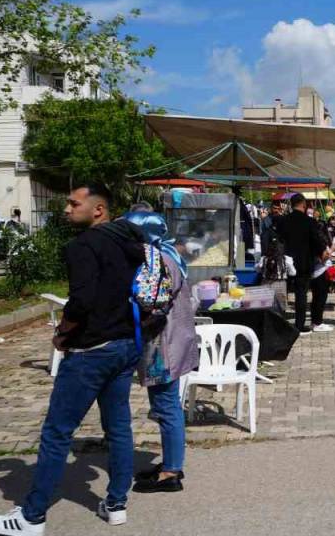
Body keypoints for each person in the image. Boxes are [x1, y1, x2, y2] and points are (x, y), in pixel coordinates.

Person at [0, 185, 145, 535]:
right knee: (118, 428)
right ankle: (116, 504)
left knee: (57, 432)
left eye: (74, 203)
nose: (67, 209)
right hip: (124, 344)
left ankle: (32, 516)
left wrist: (62, 333)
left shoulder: (83, 246)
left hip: (91, 351)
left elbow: (82, 300)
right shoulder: (128, 240)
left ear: (98, 209)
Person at [121, 210, 198, 494]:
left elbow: (149, 303)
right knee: (168, 405)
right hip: (173, 341)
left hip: (162, 346)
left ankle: (170, 473)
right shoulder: (167, 255)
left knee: (166, 407)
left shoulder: (157, 262)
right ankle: (171, 461)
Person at [276, 194, 332, 334]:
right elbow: (317, 241)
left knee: (282, 293)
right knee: (301, 294)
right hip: (304, 263)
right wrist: (321, 252)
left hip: (285, 262)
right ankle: (299, 325)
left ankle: (277, 321)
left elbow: (278, 239)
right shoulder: (309, 222)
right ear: (303, 204)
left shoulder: (283, 221)